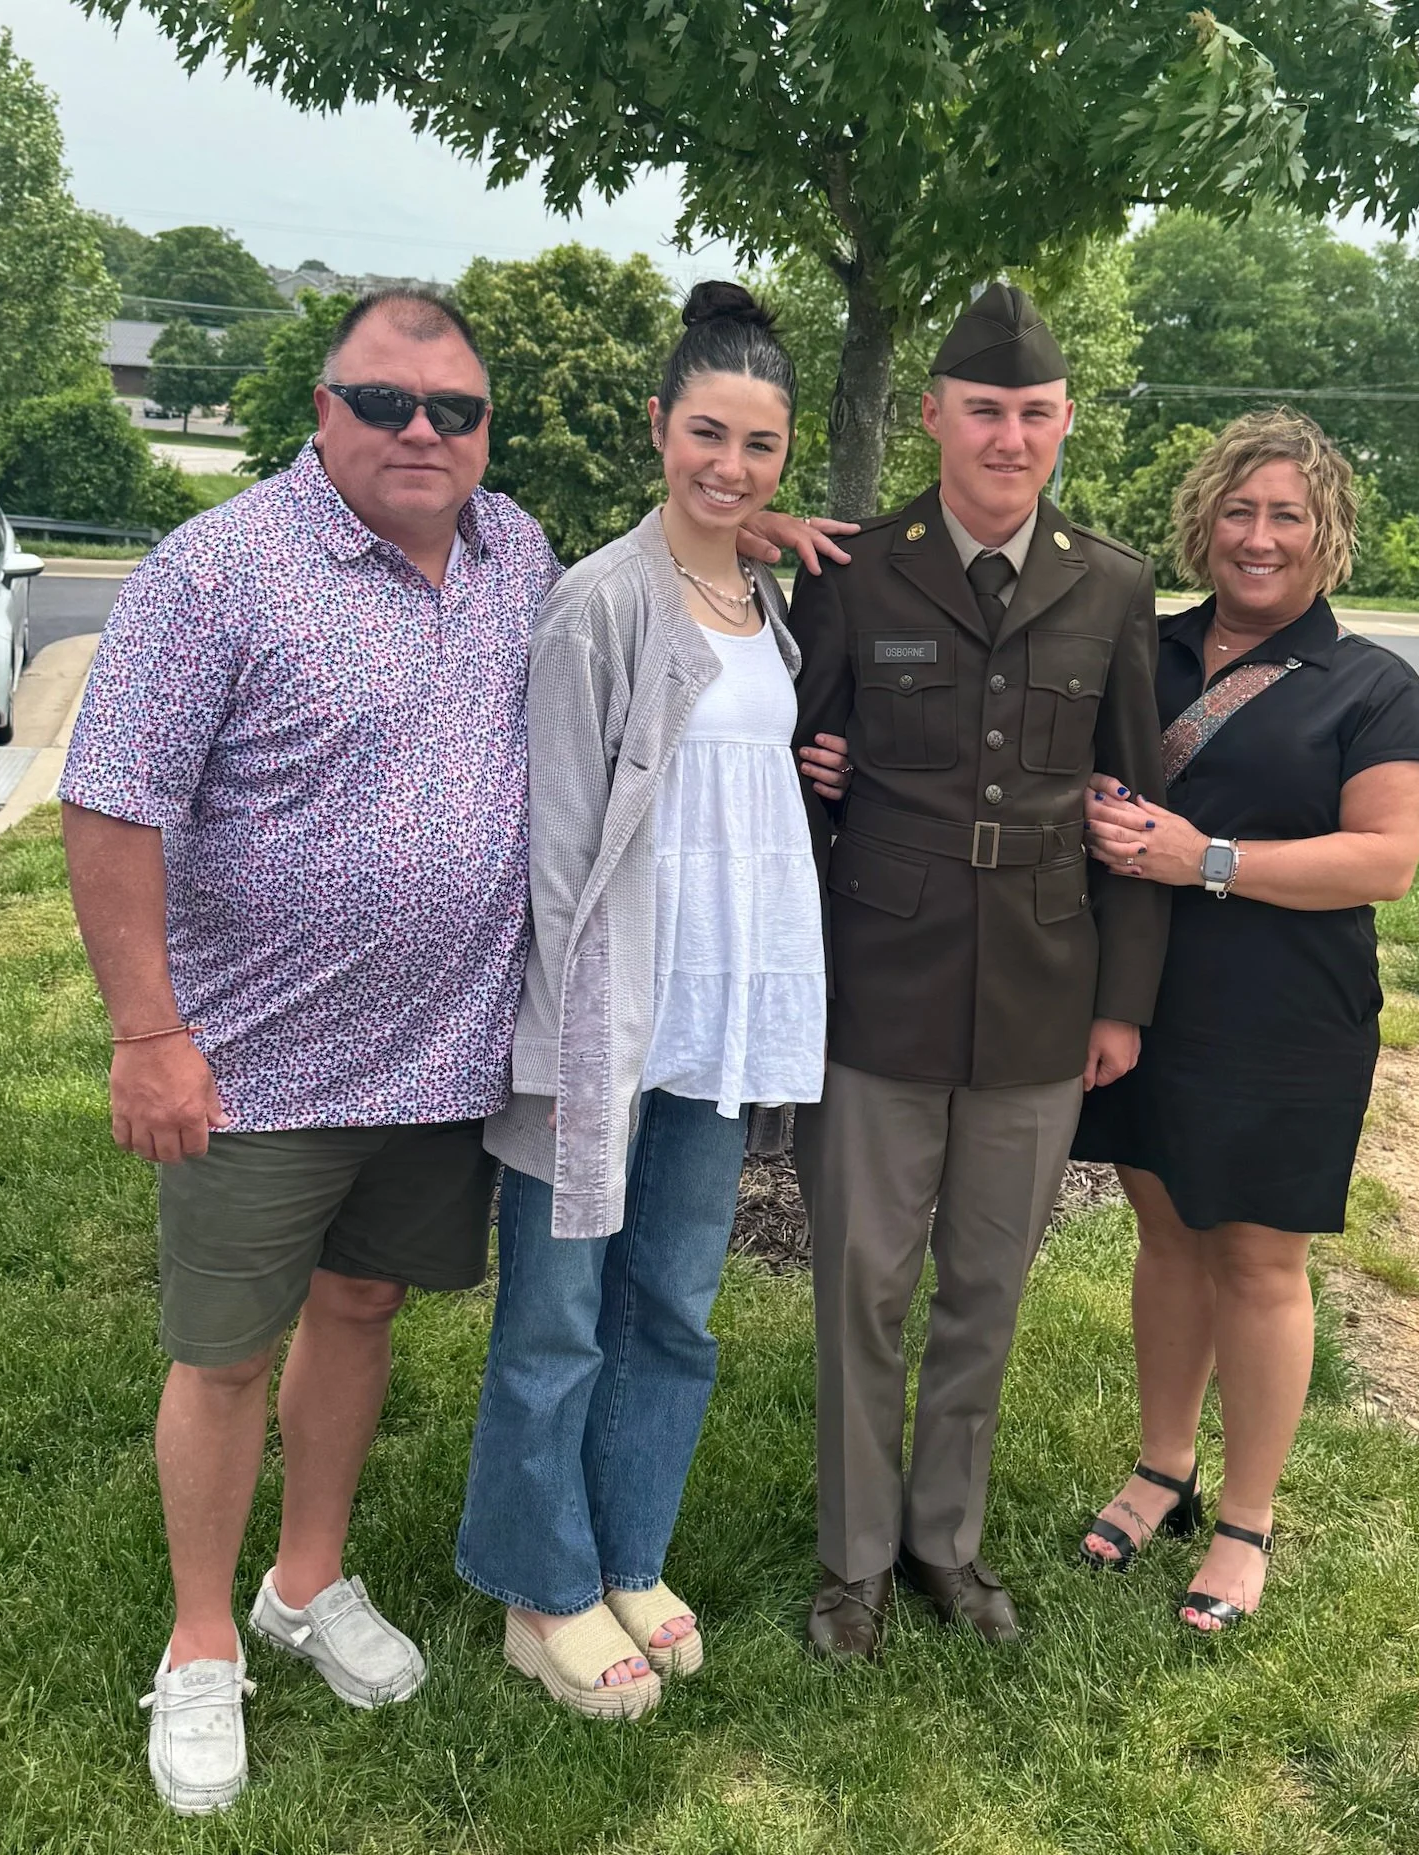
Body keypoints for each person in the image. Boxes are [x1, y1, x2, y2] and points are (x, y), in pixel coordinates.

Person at [59, 287, 851, 1813]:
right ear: (321, 406)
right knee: (224, 1353)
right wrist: (148, 1029)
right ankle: (205, 1638)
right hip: (254, 1059)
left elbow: (672, 575)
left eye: (453, 411)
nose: (421, 432)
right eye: (384, 403)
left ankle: (305, 1581)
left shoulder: (512, 556)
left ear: (486, 430)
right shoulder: (217, 569)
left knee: (359, 1309)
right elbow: (113, 799)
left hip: (440, 1056)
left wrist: (748, 521)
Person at [458, 282, 829, 1717]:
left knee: (671, 1304)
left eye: (758, 445)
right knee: (556, 1317)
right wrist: (557, 1039)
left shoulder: (761, 599)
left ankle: (628, 1549)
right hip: (601, 1022)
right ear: (657, 429)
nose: (729, 467)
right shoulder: (597, 603)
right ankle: (537, 1583)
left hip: (717, 1016)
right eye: (706, 434)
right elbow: (555, 848)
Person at [786, 284, 1170, 1661]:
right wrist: (808, 771)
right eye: (983, 411)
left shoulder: (1111, 581)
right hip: (872, 981)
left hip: (1039, 988)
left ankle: (943, 1541)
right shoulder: (849, 567)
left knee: (982, 1290)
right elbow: (780, 765)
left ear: (1062, 422)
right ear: (935, 416)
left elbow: (1134, 802)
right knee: (861, 1285)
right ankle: (850, 1562)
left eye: (1032, 414)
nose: (1006, 438)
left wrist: (1119, 1000)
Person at [1074, 408, 1419, 1632]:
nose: (1260, 535)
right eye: (1239, 509)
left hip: (1289, 1015)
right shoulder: (1147, 652)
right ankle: (1160, 1466)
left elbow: (1384, 860)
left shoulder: (1373, 686)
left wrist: (1205, 859)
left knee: (1259, 1259)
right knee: (1167, 1235)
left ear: (1326, 532)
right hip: (1147, 1002)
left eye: (1288, 513)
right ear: (1203, 523)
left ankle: (1244, 1521)